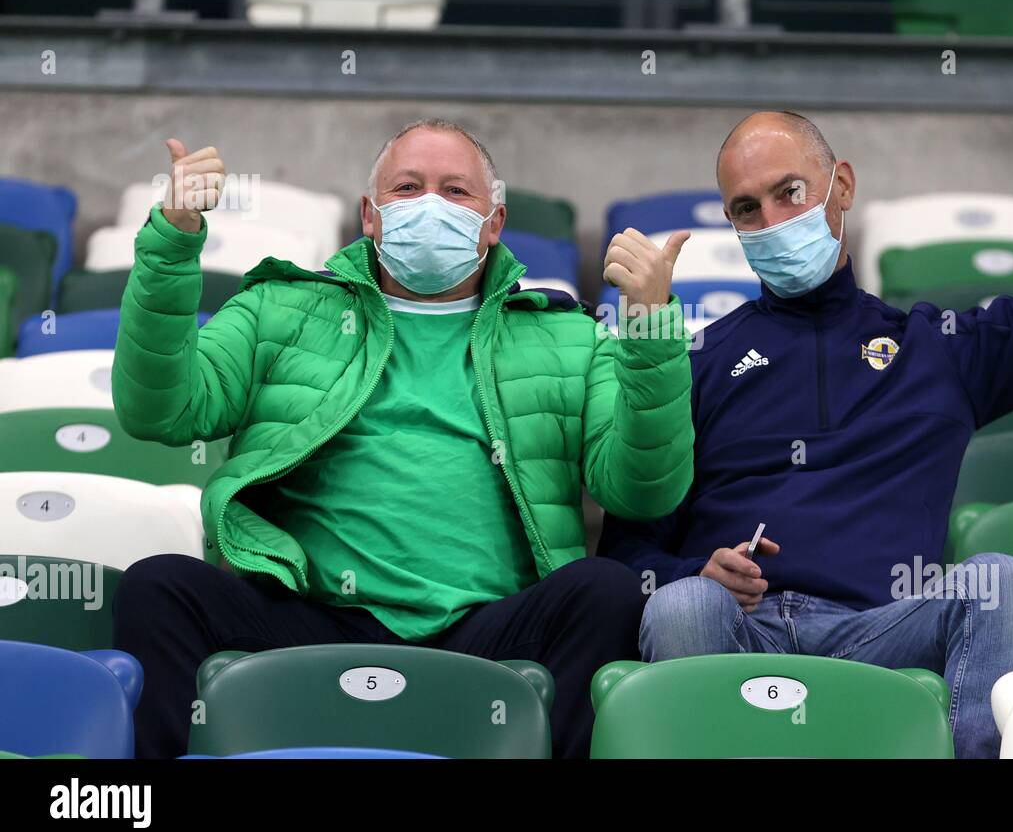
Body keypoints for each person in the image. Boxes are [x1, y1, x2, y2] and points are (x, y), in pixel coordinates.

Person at [600, 0, 1013, 758]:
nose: (770, 222)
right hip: (739, 632)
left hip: (886, 633)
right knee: (682, 606)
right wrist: (697, 568)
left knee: (1005, 581)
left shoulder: (942, 347)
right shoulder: (697, 359)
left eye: (790, 192)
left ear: (842, 187)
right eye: (746, 210)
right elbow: (625, 555)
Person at [111, 118, 694, 758]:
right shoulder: (280, 308)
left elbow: (643, 492)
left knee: (604, 593)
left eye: (456, 192)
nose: (430, 207)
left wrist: (649, 330)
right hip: (309, 619)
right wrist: (174, 242)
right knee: (158, 586)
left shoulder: (570, 338)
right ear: (371, 215)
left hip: (486, 630)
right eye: (408, 188)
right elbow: (160, 411)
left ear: (493, 222)